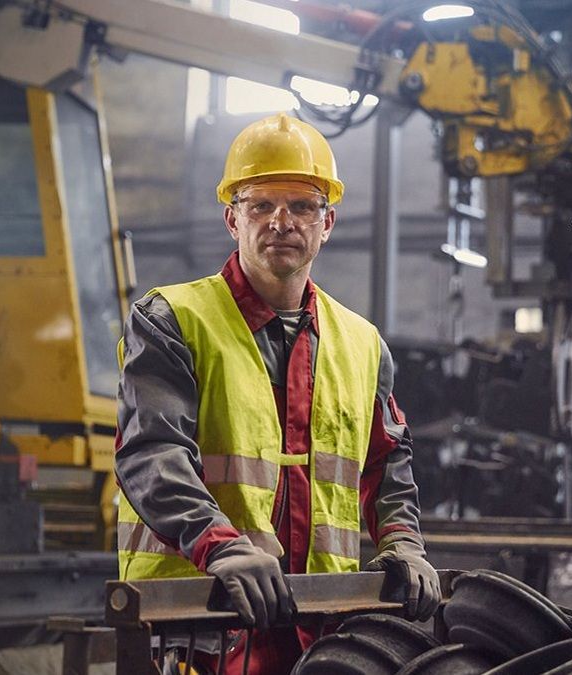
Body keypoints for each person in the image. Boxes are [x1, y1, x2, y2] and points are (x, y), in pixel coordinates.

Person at [115, 113, 441, 674]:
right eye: (260, 205)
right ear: (231, 218)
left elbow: (388, 464)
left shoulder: (363, 344)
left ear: (328, 222)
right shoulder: (172, 320)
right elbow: (151, 454)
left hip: (322, 632)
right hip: (202, 628)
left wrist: (404, 543)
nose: (280, 222)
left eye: (302, 206)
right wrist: (221, 546)